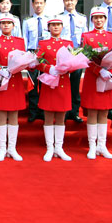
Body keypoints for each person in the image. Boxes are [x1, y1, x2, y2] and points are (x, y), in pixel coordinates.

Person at [0, 13, 32, 162]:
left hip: (15, 80)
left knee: (14, 115)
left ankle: (12, 148)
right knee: (1, 115)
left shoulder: (20, 41)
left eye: (9, 23)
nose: (6, 25)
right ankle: (2, 148)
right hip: (1, 79)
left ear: (13, 26)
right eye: (3, 23)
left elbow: (24, 60)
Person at [81, 7, 112, 159]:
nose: (98, 20)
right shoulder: (87, 36)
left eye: (101, 17)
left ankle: (102, 146)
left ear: (105, 19)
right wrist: (99, 71)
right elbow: (85, 58)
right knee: (92, 112)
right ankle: (92, 146)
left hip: (107, 78)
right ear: (92, 20)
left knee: (104, 112)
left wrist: (110, 72)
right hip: (93, 77)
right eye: (95, 18)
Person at [37, 17, 74, 162]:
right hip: (49, 82)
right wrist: (48, 68)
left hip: (63, 82)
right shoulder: (43, 43)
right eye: (53, 25)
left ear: (62, 27)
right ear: (48, 28)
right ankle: (49, 148)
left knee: (61, 117)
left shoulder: (68, 43)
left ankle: (59, 147)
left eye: (58, 25)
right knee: (48, 116)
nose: (56, 27)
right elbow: (36, 62)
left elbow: (74, 63)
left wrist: (67, 69)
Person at [22, 0, 50, 123]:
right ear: (32, 5)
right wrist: (26, 56)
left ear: (44, 4)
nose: (38, 5)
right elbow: (25, 38)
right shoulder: (27, 21)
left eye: (41, 3)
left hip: (45, 54)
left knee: (45, 83)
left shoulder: (49, 20)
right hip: (32, 53)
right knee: (32, 84)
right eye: (36, 3)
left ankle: (43, 110)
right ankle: (33, 111)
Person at [60, 0, 87, 123]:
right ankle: (64, 111)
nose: (69, 3)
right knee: (64, 83)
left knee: (75, 84)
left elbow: (85, 36)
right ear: (63, 2)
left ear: (76, 1)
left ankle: (74, 112)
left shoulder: (82, 18)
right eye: (67, 0)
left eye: (72, 0)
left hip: (77, 52)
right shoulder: (59, 17)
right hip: (64, 52)